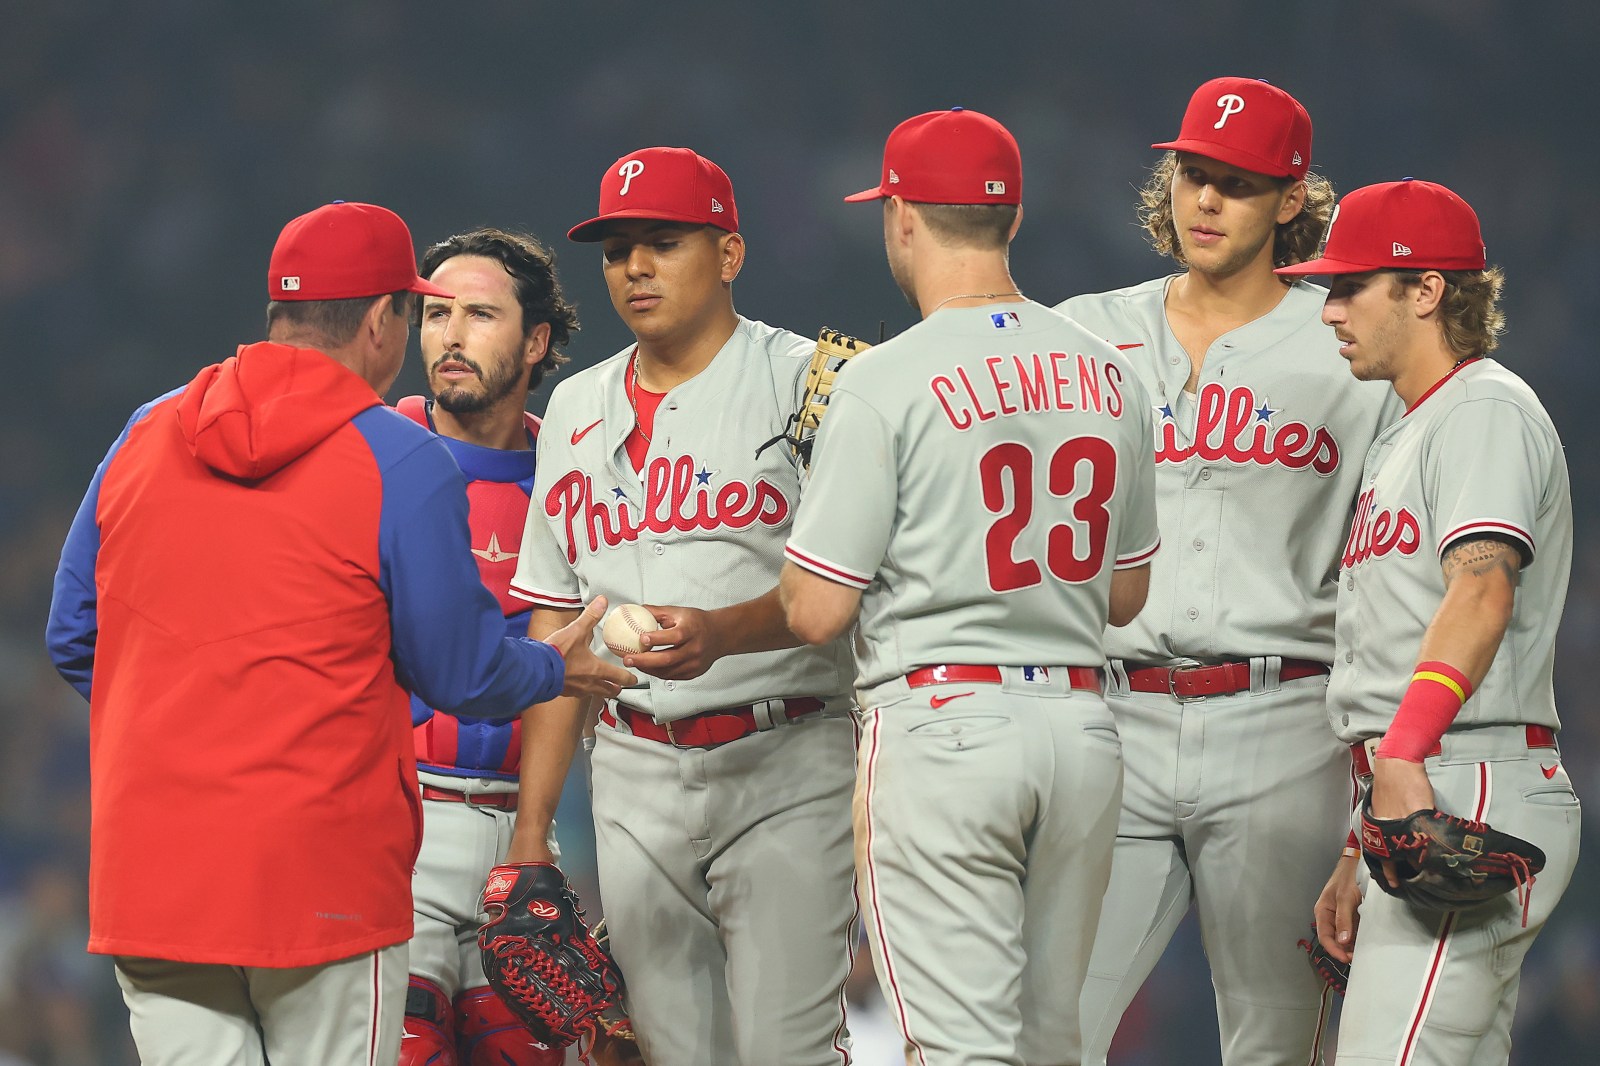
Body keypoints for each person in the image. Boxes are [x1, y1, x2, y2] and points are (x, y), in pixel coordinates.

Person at [44, 202, 632, 1066]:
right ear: (383, 320)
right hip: (322, 870)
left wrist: (198, 726)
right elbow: (460, 672)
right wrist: (551, 667)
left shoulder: (146, 429)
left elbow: (73, 633)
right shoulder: (399, 459)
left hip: (155, 871)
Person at [781, 106, 1160, 1066]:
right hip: (1080, 732)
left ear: (900, 216)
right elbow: (1124, 598)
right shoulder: (1111, 374)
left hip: (943, 728)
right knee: (1051, 1043)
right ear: (1013, 218)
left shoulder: (885, 381)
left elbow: (816, 610)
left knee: (955, 1048)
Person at [1055, 77, 1400, 1065]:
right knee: (1049, 1025)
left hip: (1283, 722)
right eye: (1192, 174)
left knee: (1277, 1040)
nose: (1204, 200)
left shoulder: (1347, 346)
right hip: (1111, 713)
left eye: (1237, 183)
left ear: (1291, 198)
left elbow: (1392, 567)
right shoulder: (1080, 330)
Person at [505, 147, 859, 1066]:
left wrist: (725, 633)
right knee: (670, 1053)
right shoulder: (574, 406)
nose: (637, 268)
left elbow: (854, 589)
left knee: (787, 1052)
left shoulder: (811, 383)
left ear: (729, 253)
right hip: (631, 771)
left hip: (786, 755)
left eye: (664, 243)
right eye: (618, 251)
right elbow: (556, 630)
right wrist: (532, 834)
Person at [1277, 178, 1579, 1066]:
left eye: (1350, 286)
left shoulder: (1483, 409)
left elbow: (1482, 590)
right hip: (1424, 778)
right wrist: (1357, 843)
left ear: (1426, 289)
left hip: (1468, 774)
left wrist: (1403, 755)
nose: (1329, 310)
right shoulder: (1410, 430)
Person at [397, 227, 580, 1065]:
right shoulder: (375, 452)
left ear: (536, 342)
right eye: (436, 314)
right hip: (399, 827)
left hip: (528, 841)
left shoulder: (575, 477)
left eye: (479, 315)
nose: (451, 335)